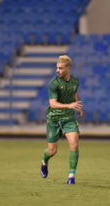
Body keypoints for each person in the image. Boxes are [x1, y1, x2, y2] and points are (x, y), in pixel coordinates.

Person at [40, 55, 83, 185]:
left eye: (60, 68)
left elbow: (74, 92)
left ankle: (71, 177)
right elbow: (52, 104)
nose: (57, 70)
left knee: (74, 145)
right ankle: (44, 161)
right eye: (57, 68)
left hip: (69, 118)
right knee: (52, 151)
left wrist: (78, 106)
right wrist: (69, 105)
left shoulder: (75, 81)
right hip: (53, 119)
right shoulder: (53, 83)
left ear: (68, 68)